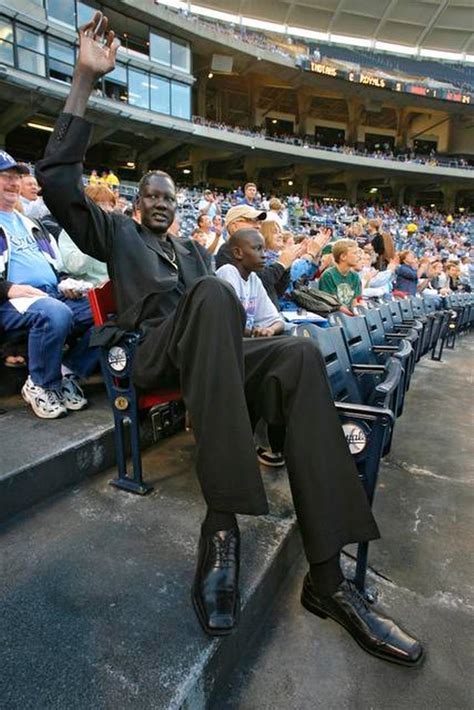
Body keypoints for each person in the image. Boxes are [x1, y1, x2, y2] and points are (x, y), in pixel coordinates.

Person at [35, 12, 423, 666]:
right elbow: (57, 182)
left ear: (176, 207)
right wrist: (82, 79)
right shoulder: (116, 236)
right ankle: (222, 528)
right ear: (136, 204)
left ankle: (329, 582)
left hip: (211, 352)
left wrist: (295, 267)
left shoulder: (191, 249)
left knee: (298, 353)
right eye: (150, 194)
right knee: (215, 291)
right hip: (154, 348)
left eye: (168, 197)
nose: (159, 202)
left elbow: (258, 275)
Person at [0, 150, 96, 418]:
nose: (13, 183)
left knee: (112, 310)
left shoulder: (31, 222)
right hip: (12, 301)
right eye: (5, 176)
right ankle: (40, 383)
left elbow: (54, 267)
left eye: (16, 177)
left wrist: (65, 282)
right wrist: (8, 288)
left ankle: (67, 370)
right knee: (55, 312)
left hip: (52, 294)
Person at [216, 229, 284, 337]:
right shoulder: (227, 272)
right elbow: (229, 325)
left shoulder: (253, 278)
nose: (264, 255)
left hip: (248, 341)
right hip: (229, 345)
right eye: (257, 249)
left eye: (264, 250)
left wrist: (270, 330)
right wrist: (254, 332)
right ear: (238, 253)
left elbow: (277, 321)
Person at [318, 239, 362, 312]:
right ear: (343, 257)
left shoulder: (355, 276)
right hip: (335, 316)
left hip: (349, 317)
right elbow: (332, 304)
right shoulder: (328, 275)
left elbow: (355, 302)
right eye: (355, 253)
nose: (359, 257)